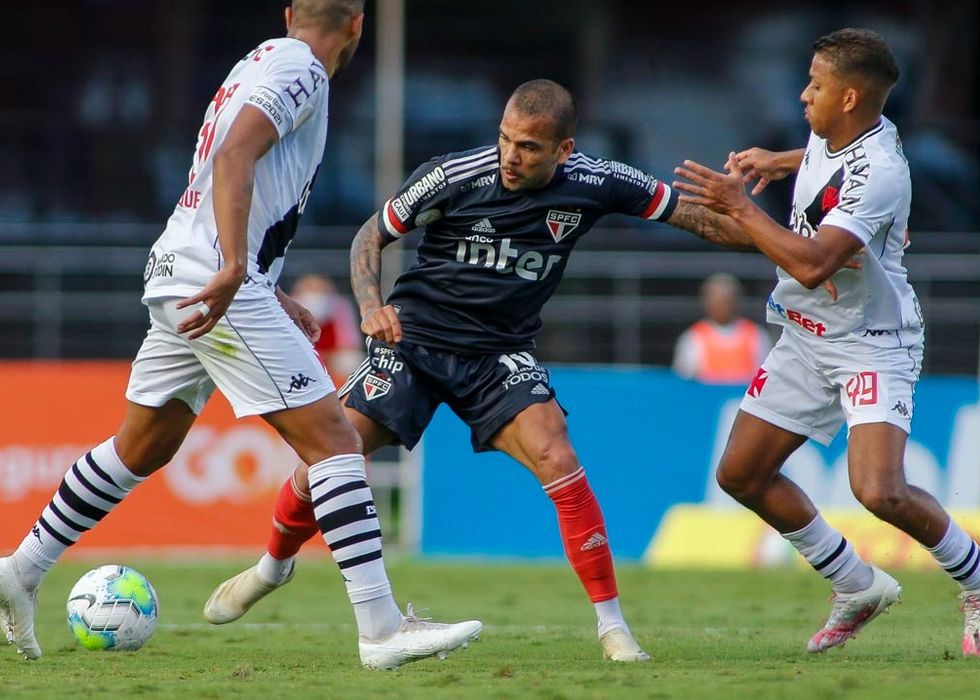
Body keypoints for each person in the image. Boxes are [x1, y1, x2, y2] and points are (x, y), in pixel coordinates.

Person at [0, 0, 481, 669]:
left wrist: (263, 283)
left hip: (181, 269)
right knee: (334, 438)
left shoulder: (260, 59)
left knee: (141, 446)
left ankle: (23, 568)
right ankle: (383, 629)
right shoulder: (303, 66)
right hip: (218, 277)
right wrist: (240, 268)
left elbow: (231, 164)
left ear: (292, 10)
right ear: (357, 24)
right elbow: (239, 152)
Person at [202, 78, 753, 662]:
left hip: (499, 353)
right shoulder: (457, 174)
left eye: (529, 147)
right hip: (414, 342)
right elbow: (371, 234)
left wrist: (778, 238)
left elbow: (696, 218)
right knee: (331, 458)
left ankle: (612, 627)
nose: (511, 156)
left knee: (558, 454)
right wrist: (370, 307)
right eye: (505, 139)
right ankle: (272, 567)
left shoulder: (599, 181)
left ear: (564, 150)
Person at [673, 28, 980, 656]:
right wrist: (778, 161)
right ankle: (855, 584)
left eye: (816, 85)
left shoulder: (882, 171)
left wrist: (741, 209)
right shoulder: (836, 135)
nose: (803, 96)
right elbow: (825, 165)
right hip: (805, 336)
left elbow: (814, 264)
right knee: (742, 474)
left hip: (872, 341)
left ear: (851, 97)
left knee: (878, 489)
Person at [672, 272, 773, 384]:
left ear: (736, 301)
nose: (722, 306)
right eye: (716, 299)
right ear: (706, 301)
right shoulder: (693, 338)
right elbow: (683, 382)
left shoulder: (756, 336)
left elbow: (766, 379)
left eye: (726, 300)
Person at [289, 273, 362, 384]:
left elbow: (349, 345)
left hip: (332, 356)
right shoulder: (290, 307)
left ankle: (344, 394)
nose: (316, 295)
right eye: (312, 290)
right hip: (301, 356)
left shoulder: (340, 306)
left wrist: (325, 357)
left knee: (350, 360)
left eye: (320, 290)